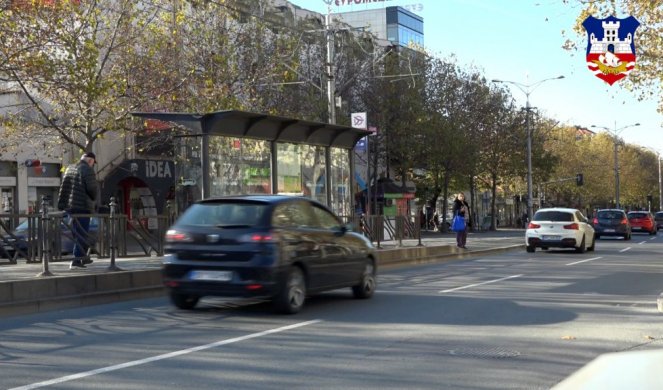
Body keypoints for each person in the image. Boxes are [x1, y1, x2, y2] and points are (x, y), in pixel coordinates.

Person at [58, 152, 98, 269]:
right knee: (82, 233)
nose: (92, 165)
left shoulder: (69, 168)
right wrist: (94, 197)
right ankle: (77, 259)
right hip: (83, 207)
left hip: (70, 207)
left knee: (77, 233)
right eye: (93, 163)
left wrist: (61, 204)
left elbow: (63, 188)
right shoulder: (87, 170)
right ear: (90, 161)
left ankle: (83, 258)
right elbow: (92, 189)